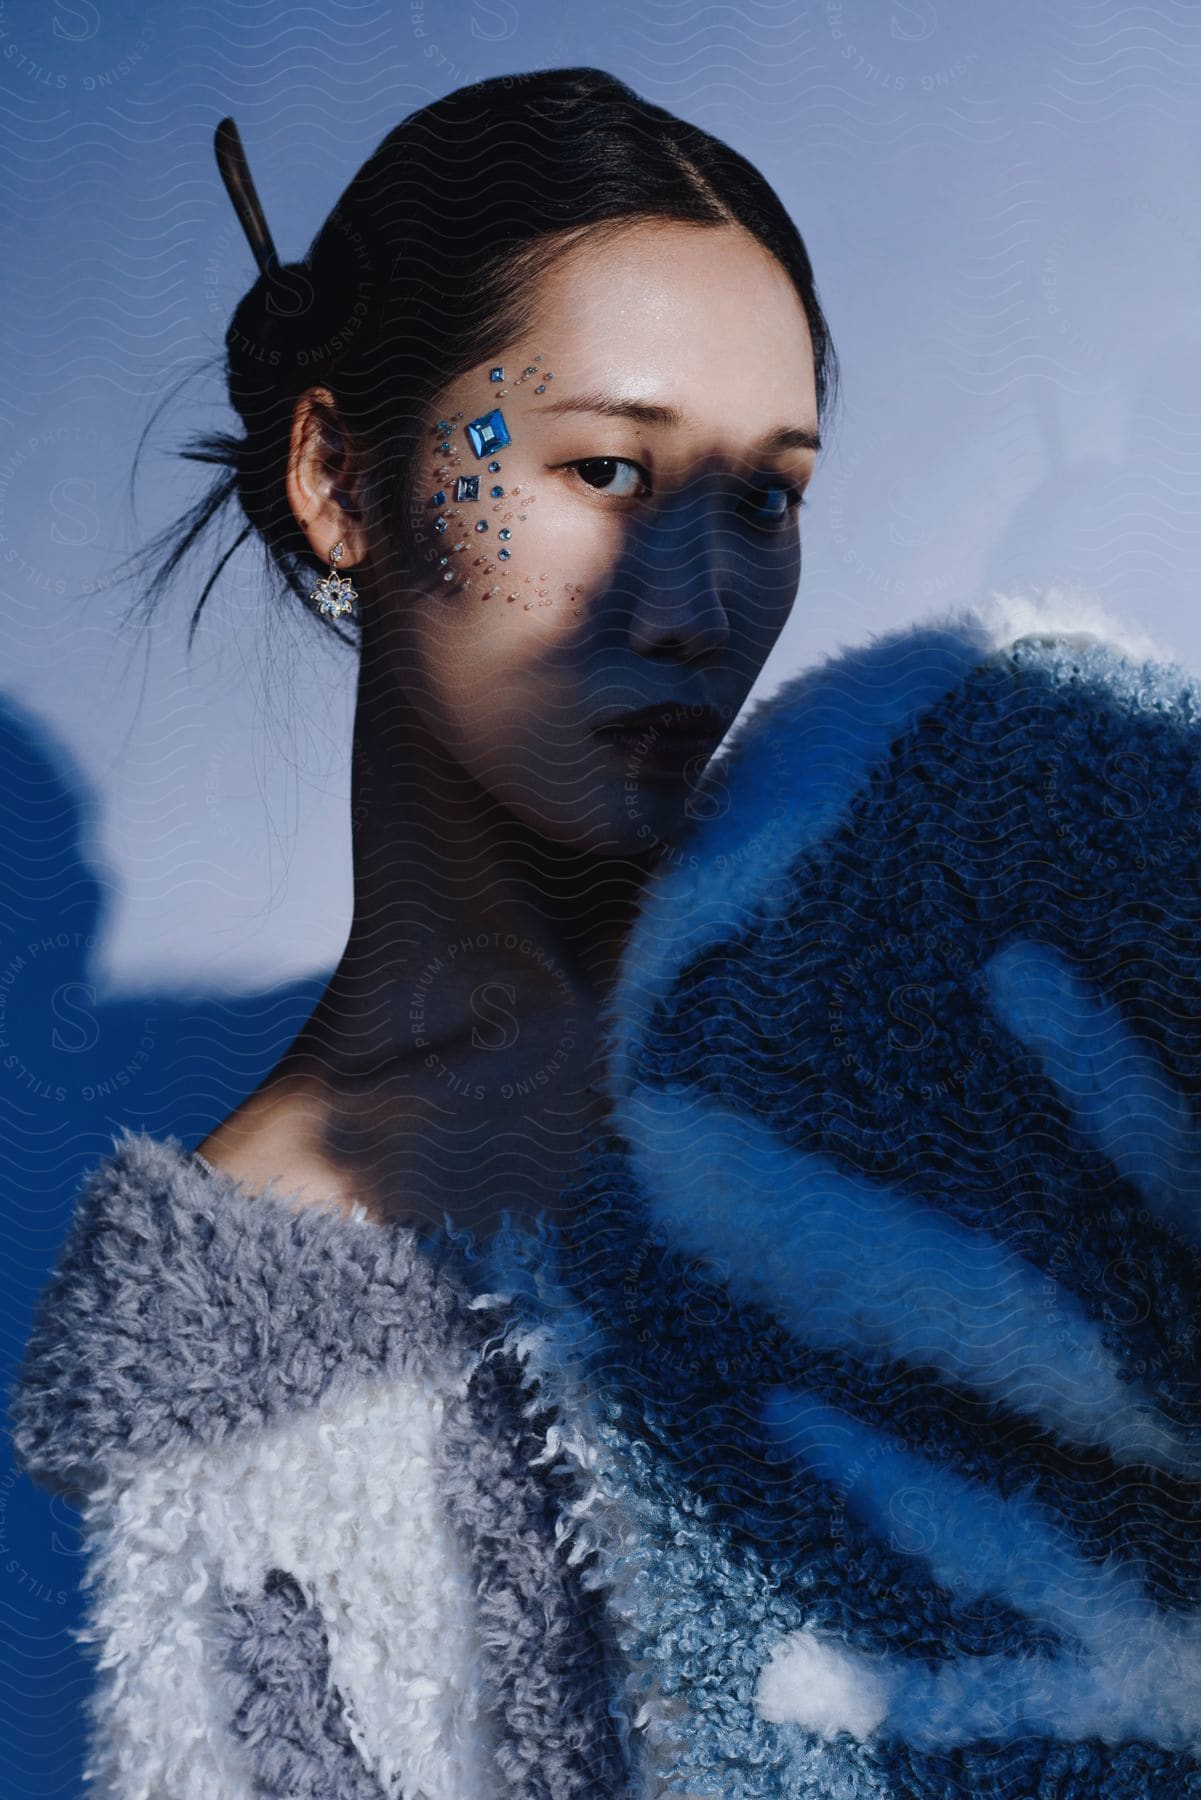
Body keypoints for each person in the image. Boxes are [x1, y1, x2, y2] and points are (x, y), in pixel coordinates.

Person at [7, 67, 838, 1797]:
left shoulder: (968, 1027)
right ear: (334, 476)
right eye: (605, 467)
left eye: (763, 495)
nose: (693, 612)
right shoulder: (239, 1323)